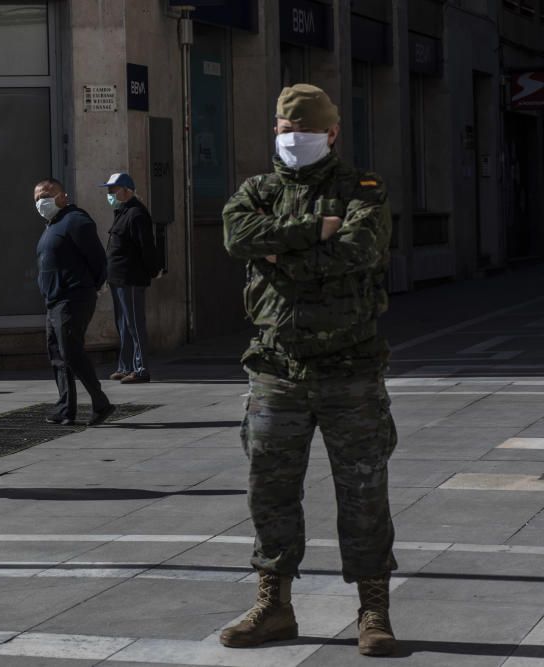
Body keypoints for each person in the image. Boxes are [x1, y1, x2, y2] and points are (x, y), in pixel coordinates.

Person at [220, 84, 398, 657]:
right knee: (270, 492)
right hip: (276, 369)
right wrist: (312, 232)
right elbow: (235, 235)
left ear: (332, 134)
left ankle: (373, 609)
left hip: (351, 368)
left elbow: (359, 251)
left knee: (364, 491)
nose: (293, 138)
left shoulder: (362, 189)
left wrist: (277, 254)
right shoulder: (257, 190)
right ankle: (274, 606)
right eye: (284, 128)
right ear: (273, 130)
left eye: (305, 130)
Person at [34, 178, 115, 427]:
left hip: (73, 297)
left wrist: (95, 285)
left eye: (46, 195)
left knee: (71, 351)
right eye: (37, 198)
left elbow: (98, 259)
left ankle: (101, 403)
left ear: (62, 196)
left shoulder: (75, 220)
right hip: (55, 300)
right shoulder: (53, 225)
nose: (41, 202)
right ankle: (65, 408)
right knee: (58, 354)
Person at [101, 173, 161, 384]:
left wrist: (153, 270)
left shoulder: (136, 214)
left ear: (126, 190)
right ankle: (125, 366)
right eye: (109, 190)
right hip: (118, 278)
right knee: (123, 325)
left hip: (131, 278)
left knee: (134, 324)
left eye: (113, 190)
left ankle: (141, 368)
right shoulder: (122, 212)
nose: (109, 194)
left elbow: (147, 247)